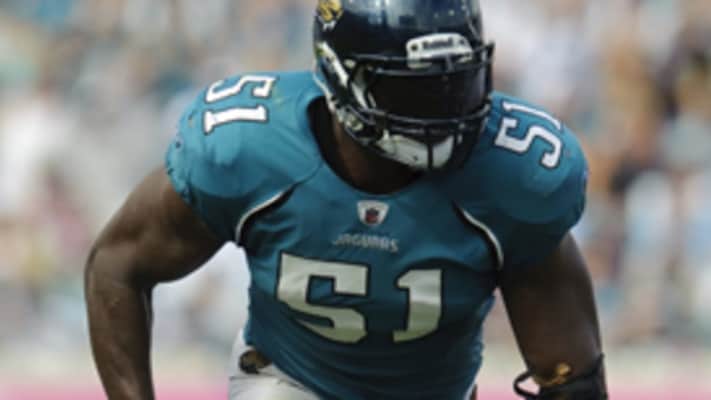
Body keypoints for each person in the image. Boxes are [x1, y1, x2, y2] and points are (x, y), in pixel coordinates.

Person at [85, 1, 607, 399]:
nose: (444, 108)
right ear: (341, 75)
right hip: (289, 379)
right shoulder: (250, 151)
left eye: (456, 80)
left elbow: (570, 375)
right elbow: (116, 266)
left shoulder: (512, 177)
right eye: (414, 89)